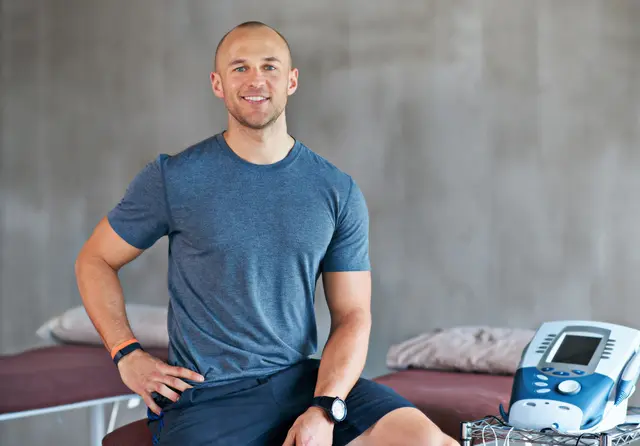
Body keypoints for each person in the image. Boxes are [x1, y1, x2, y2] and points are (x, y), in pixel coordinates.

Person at [75, 20, 459, 446]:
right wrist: (126, 353)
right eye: (239, 68)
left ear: (291, 80)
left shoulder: (336, 190)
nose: (256, 80)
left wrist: (325, 408)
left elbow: (353, 315)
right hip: (208, 396)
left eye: (270, 67)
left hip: (301, 383)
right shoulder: (175, 177)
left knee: (429, 442)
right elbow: (95, 259)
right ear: (217, 84)